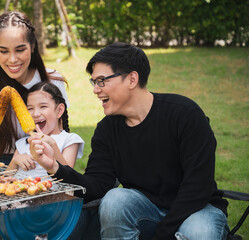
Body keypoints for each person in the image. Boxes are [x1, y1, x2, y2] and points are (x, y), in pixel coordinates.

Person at [29, 42, 229, 240]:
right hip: (146, 210)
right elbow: (97, 186)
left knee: (198, 232)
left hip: (197, 209)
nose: (96, 90)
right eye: (94, 82)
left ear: (132, 79)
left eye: (102, 81)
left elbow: (197, 187)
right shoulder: (107, 130)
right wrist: (55, 167)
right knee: (115, 200)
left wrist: (162, 234)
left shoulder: (184, 114)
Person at [0, 11, 69, 165]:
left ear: (33, 46)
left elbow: (63, 139)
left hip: (43, 160)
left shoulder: (53, 82)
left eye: (20, 50)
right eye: (3, 51)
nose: (12, 59)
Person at [7, 82, 84, 179]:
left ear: (59, 110)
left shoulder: (69, 139)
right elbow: (5, 177)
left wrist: (52, 145)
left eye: (43, 106)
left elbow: (70, 177)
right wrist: (15, 160)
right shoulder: (23, 143)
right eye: (30, 108)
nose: (35, 114)